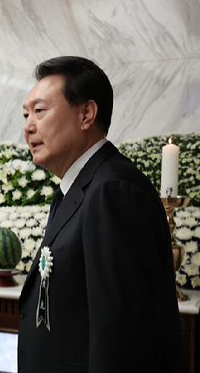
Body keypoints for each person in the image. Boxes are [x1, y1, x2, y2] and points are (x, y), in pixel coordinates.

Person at [18, 56, 184, 373]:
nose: (28, 126)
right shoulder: (77, 188)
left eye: (40, 111)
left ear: (86, 114)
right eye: (26, 114)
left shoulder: (113, 191)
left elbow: (124, 338)